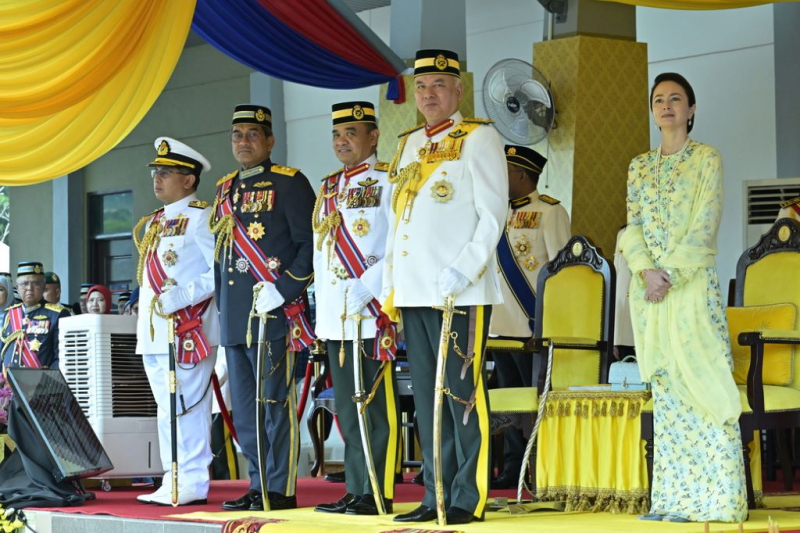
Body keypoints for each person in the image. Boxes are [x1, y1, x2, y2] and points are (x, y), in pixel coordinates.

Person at [380, 49, 508, 525]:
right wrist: (391, 280)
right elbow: (399, 221)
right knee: (430, 400)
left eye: (439, 85)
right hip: (415, 291)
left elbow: (495, 214)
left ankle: (465, 496)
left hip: (461, 290)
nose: (429, 94)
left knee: (461, 394)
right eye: (422, 86)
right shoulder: (408, 144)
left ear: (458, 91)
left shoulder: (478, 137)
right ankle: (433, 495)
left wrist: (466, 267)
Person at [620, 72, 747, 523]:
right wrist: (644, 271)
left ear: (691, 110)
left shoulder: (706, 159)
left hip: (690, 289)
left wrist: (668, 274)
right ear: (652, 111)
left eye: (676, 99)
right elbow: (631, 226)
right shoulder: (638, 166)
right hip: (651, 293)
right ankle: (673, 500)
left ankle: (717, 501)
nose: (667, 105)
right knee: (669, 390)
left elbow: (705, 222)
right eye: (659, 100)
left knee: (705, 384)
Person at [210, 104, 315, 511]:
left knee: (274, 404)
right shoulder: (223, 190)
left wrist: (285, 289)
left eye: (252, 134)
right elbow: (222, 256)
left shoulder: (290, 184)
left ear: (270, 141)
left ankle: (280, 488)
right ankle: (256, 483)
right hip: (237, 316)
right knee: (247, 410)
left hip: (273, 313)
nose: (243, 142)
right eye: (237, 134)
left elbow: (309, 246)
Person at [312, 102, 400, 516]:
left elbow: (401, 241)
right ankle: (355, 487)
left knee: (373, 405)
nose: (342, 141)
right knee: (347, 406)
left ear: (373, 136)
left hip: (371, 312)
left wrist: (370, 287)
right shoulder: (328, 187)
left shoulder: (389, 181)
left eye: (351, 132)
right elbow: (320, 257)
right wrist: (321, 315)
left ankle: (377, 490)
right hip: (336, 317)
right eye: (336, 134)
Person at [133, 137, 220, 506]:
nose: (157, 178)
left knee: (189, 407)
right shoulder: (153, 221)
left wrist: (184, 296)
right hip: (155, 333)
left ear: (188, 180)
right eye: (156, 172)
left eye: (166, 173)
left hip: (190, 330)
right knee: (166, 409)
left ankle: (194, 481)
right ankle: (172, 477)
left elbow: (220, 270)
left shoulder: (202, 217)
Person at [488, 145, 570, 489]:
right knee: (505, 399)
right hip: (497, 325)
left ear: (522, 175)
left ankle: (536, 465)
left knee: (531, 400)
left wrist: (549, 321)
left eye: (505, 171)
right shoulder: (493, 212)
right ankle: (511, 465)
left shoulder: (549, 212)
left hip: (529, 325)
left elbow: (563, 272)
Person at [0, 262, 71, 370]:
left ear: (43, 286)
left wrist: (47, 379)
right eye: (24, 284)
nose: (29, 288)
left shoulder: (57, 315)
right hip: (9, 384)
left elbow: (62, 357)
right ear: (17, 287)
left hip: (42, 384)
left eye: (35, 283)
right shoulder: (9, 314)